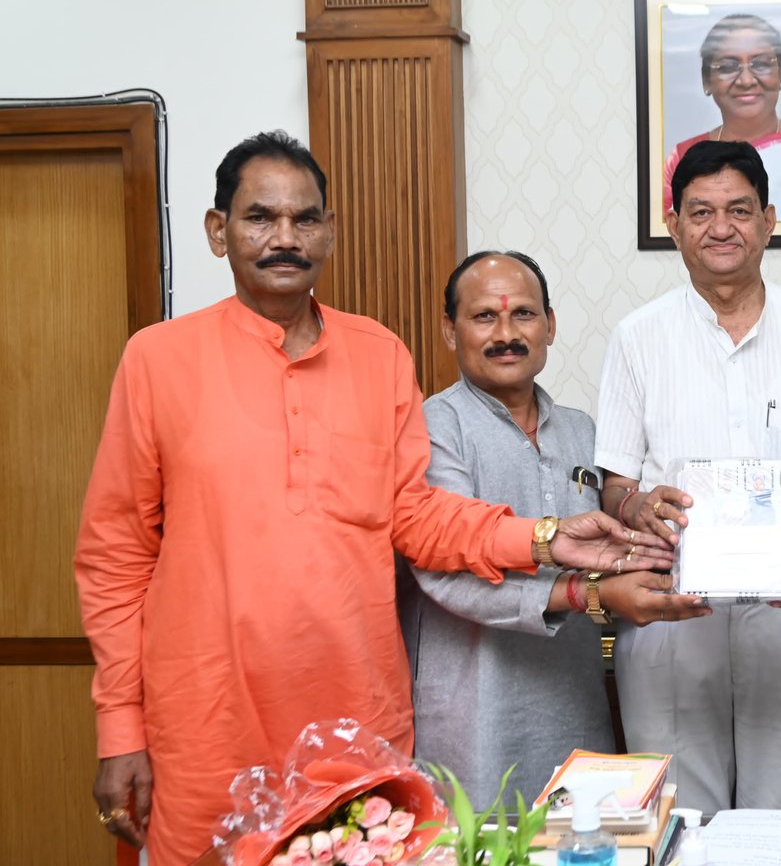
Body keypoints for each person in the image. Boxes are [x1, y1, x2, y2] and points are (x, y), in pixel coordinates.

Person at [74, 132, 667, 866]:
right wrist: (120, 728)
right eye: (260, 218)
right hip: (207, 723)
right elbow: (115, 558)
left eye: (305, 219)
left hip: (355, 723)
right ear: (218, 231)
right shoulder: (158, 360)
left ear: (329, 231)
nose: (285, 238)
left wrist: (543, 537)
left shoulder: (379, 355)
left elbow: (416, 516)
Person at [596, 139, 781, 814]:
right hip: (671, 609)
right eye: (701, 211)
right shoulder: (637, 337)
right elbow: (615, 486)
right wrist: (636, 505)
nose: (721, 227)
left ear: (768, 221)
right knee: (681, 819)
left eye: (739, 210)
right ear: (674, 224)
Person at [399, 250, 709, 806]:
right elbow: (443, 574)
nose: (506, 334)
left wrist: (665, 530)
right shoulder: (431, 428)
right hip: (474, 715)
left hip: (573, 704)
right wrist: (586, 593)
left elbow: (611, 552)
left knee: (584, 838)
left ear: (550, 325)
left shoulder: (582, 432)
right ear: (449, 330)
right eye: (484, 317)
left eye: (523, 314)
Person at [665, 13, 781, 222]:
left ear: (780, 75)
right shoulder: (683, 157)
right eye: (728, 67)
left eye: (761, 64)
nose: (746, 81)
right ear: (706, 81)